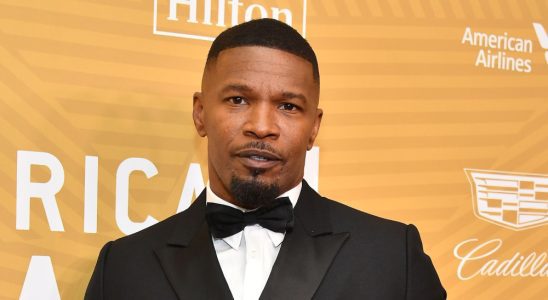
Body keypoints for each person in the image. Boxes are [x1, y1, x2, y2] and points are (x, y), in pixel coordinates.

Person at [85, 18, 446, 299]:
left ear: (314, 127)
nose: (261, 127)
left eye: (288, 106)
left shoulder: (391, 258)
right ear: (200, 113)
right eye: (238, 100)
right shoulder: (123, 268)